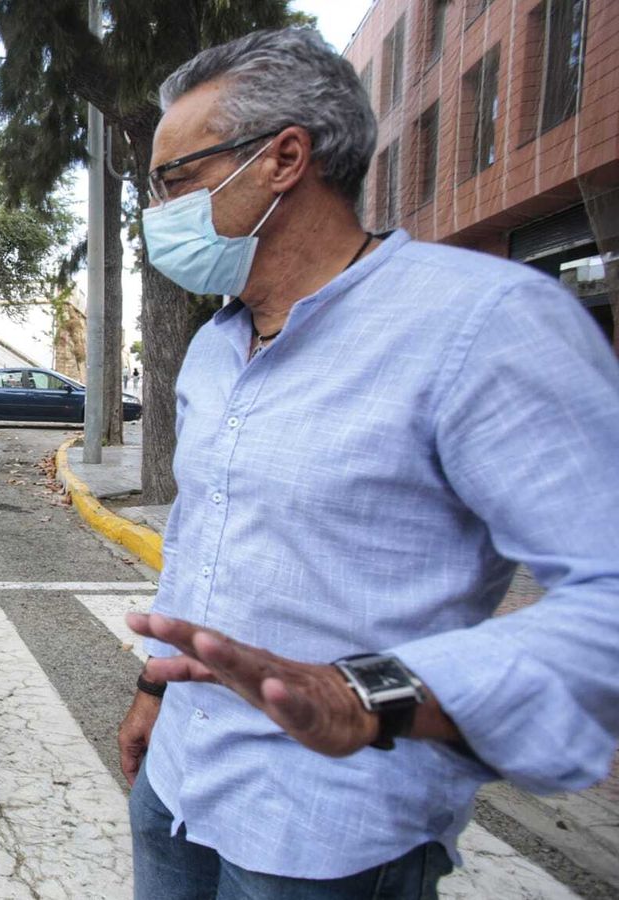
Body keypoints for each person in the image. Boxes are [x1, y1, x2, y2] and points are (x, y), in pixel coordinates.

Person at [116, 29, 619, 900]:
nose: (157, 214)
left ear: (282, 160)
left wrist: (371, 694)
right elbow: (208, 542)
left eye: (173, 182)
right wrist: (155, 690)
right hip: (179, 789)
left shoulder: (482, 324)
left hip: (326, 837)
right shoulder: (212, 349)